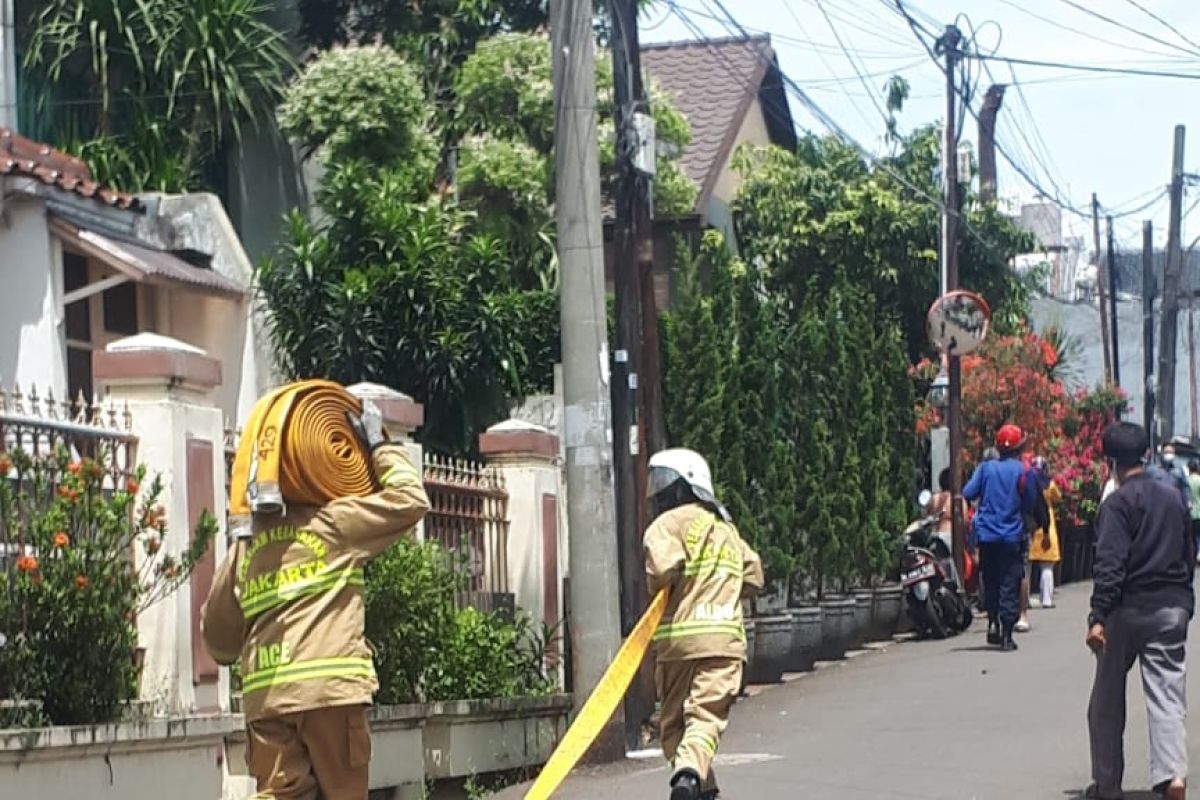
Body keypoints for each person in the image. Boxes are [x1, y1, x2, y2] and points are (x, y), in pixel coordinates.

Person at [202, 400, 430, 800]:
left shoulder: (244, 547)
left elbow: (218, 641)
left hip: (267, 698)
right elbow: (410, 500)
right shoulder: (335, 523)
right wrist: (378, 445)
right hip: (331, 693)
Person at [644, 448, 764, 800]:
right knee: (705, 717)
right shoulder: (726, 529)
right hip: (723, 642)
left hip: (676, 646)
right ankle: (693, 781)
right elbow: (754, 575)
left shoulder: (664, 525)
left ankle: (698, 787)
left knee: (673, 729)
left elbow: (662, 571)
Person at [1086, 422, 1194, 800]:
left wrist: (1098, 616)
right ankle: (1173, 777)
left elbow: (1110, 564)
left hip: (1127, 609)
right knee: (1167, 695)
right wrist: (1186, 602)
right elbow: (1188, 554)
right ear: (1146, 457)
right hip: (1171, 608)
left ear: (1111, 463)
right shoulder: (1173, 498)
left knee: (1107, 698)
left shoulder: (1117, 504)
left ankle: (1108, 784)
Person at [962, 424, 1039, 652]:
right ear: (1019, 447)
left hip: (987, 536)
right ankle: (1006, 634)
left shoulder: (985, 469)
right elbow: (1030, 501)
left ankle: (992, 622)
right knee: (1009, 583)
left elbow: (968, 492)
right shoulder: (1024, 471)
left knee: (992, 581)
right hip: (1011, 536)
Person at [1027, 456, 1062, 610]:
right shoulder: (1050, 485)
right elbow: (1058, 498)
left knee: (1026, 566)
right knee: (1047, 566)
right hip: (1047, 524)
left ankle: (1024, 599)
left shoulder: (1029, 483)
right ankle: (1046, 599)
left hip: (1031, 523)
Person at [1188, 460, 1200, 559]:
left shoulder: (1186, 480)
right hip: (1199, 512)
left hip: (1190, 513)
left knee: (1191, 537)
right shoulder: (1199, 480)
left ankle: (1193, 554)